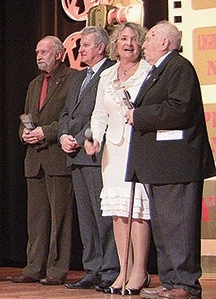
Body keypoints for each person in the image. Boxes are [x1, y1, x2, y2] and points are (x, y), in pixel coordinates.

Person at [124, 21, 215, 299]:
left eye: (149, 38)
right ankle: (171, 280)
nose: (144, 43)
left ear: (165, 43)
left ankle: (186, 285)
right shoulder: (158, 71)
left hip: (177, 163)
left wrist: (138, 116)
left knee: (180, 226)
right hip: (161, 164)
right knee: (165, 228)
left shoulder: (178, 67)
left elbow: (180, 109)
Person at [84, 22, 153, 295]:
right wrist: (95, 138)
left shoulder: (149, 73)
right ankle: (123, 269)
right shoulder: (107, 76)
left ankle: (140, 271)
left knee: (137, 211)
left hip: (139, 149)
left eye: (135, 39)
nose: (129, 43)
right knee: (117, 212)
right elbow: (99, 114)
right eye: (124, 38)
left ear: (142, 44)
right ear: (116, 43)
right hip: (112, 151)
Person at [10, 36, 75, 285]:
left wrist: (46, 132)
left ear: (59, 54)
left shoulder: (72, 79)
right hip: (34, 158)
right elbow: (26, 117)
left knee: (60, 217)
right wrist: (24, 133)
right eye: (37, 51)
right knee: (36, 218)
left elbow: (72, 118)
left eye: (44, 52)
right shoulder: (34, 83)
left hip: (57, 156)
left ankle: (56, 270)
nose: (39, 56)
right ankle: (33, 267)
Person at [59, 26, 119, 291]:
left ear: (101, 48)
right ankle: (92, 269)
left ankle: (110, 271)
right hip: (75, 156)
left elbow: (103, 113)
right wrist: (63, 136)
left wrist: (83, 136)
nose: (80, 50)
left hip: (97, 154)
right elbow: (66, 113)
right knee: (86, 219)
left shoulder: (112, 72)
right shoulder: (77, 77)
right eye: (80, 45)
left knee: (103, 217)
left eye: (85, 45)